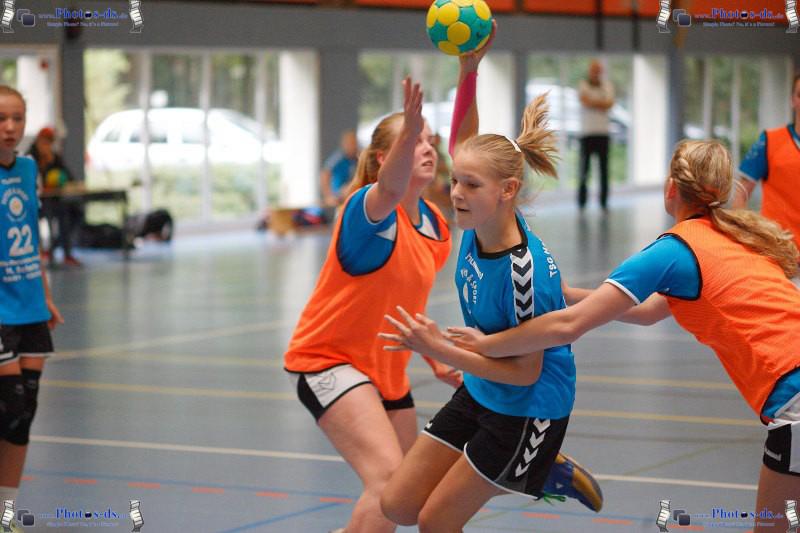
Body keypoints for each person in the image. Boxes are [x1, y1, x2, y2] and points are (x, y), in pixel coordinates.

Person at [398, 140, 800, 533]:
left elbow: (566, 326)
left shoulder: (674, 251)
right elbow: (647, 313)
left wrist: (479, 345)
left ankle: (534, 464)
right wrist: (564, 291)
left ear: (670, 189)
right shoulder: (729, 237)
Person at [378, 33, 603, 533]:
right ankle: (539, 470)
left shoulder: (523, 272)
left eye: (470, 185)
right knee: (397, 506)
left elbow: (524, 372)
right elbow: (465, 141)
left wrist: (437, 348)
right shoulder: (480, 222)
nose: (456, 192)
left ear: (508, 191)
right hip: (483, 388)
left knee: (435, 523)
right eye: (456, 180)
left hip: (529, 408)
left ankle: (537, 463)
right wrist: (468, 71)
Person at [284, 78, 460, 533]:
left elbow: (405, 302)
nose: (426, 147)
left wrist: (435, 354)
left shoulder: (436, 226)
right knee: (385, 481)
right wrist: (410, 128)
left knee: (403, 495)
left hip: (386, 371)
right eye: (413, 140)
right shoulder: (367, 211)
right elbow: (389, 189)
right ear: (384, 158)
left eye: (428, 140)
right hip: (328, 361)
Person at [0, 86, 64, 532]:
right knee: (9, 406)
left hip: (29, 306)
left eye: (17, 118)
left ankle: (5, 514)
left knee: (23, 417)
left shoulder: (27, 169)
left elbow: (29, 234)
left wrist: (45, 294)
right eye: (1, 118)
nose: (10, 127)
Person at [732, 72, 800, 253]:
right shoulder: (770, 141)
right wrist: (746, 237)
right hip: (779, 253)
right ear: (792, 100)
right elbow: (741, 194)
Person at [27, 127, 83, 267]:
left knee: (75, 212)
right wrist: (44, 166)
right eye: (44, 141)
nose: (46, 145)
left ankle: (62, 251)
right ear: (38, 141)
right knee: (51, 212)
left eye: (49, 142)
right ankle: (46, 250)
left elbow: (69, 177)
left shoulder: (54, 157)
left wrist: (52, 163)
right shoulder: (29, 158)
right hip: (37, 203)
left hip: (54, 200)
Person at [577, 59, 615, 212]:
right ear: (590, 71)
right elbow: (584, 101)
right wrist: (600, 103)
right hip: (587, 133)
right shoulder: (583, 85)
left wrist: (593, 102)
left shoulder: (607, 86)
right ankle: (582, 201)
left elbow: (609, 104)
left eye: (598, 70)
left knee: (604, 170)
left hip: (603, 134)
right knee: (584, 170)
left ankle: (604, 202)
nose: (596, 73)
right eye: (594, 70)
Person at [320, 129, 359, 209]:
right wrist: (328, 196)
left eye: (354, 143)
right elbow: (325, 174)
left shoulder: (358, 157)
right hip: (339, 193)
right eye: (349, 144)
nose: (352, 146)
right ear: (344, 144)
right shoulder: (338, 158)